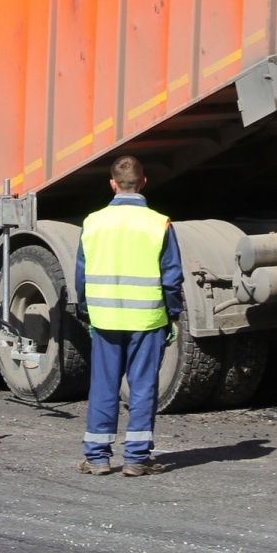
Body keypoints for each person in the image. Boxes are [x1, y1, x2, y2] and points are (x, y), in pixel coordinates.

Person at [74, 155, 183, 477]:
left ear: (112, 184)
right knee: (143, 387)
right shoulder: (159, 223)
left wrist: (86, 310)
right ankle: (136, 459)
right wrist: (173, 314)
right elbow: (171, 276)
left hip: (105, 317)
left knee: (103, 386)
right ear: (144, 182)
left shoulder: (92, 222)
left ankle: (97, 458)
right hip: (148, 319)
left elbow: (81, 274)